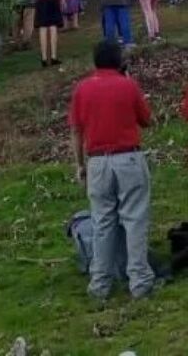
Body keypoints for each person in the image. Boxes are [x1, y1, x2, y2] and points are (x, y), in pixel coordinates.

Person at [69, 40, 154, 300]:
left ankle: (100, 283)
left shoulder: (82, 89)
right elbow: (147, 119)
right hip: (127, 158)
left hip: (97, 161)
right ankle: (139, 280)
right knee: (135, 219)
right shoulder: (127, 85)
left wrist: (80, 164)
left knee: (102, 221)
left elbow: (76, 130)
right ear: (119, 61)